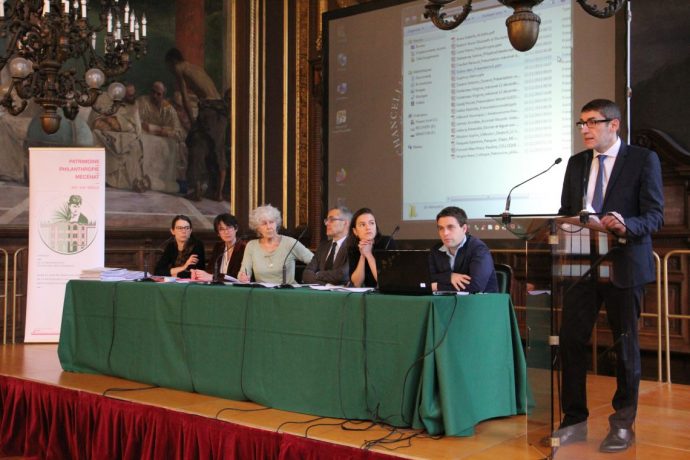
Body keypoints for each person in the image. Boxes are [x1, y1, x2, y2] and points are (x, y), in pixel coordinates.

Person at [556, 99, 664, 453]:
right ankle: (573, 421)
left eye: (592, 122)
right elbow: (564, 212)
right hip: (580, 265)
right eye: (581, 124)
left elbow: (654, 216)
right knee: (571, 341)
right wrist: (562, 223)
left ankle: (622, 425)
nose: (584, 129)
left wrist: (625, 224)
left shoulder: (642, 160)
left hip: (624, 263)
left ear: (614, 125)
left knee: (625, 347)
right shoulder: (575, 164)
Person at [165, 48, 227, 201]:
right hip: (221, 110)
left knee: (195, 145)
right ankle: (217, 193)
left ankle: (196, 189)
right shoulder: (194, 67)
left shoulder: (180, 69)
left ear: (172, 62)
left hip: (209, 111)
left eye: (168, 66)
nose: (170, 70)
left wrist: (193, 122)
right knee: (217, 149)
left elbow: (186, 99)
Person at [428, 206, 498, 293]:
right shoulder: (436, 250)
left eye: (450, 227)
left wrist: (437, 286)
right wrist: (449, 277)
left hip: (481, 303)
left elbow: (475, 287)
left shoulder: (479, 249)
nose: (445, 233)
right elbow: (427, 278)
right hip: (447, 303)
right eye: (441, 228)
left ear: (464, 229)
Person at [238, 205, 313, 284]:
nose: (269, 227)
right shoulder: (251, 246)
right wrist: (243, 277)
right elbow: (244, 271)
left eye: (271, 222)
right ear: (257, 228)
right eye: (264, 224)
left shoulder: (290, 243)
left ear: (276, 223)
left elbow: (315, 261)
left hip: (288, 293)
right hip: (262, 293)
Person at [302, 206, 352, 285]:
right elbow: (306, 273)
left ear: (345, 223)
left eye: (332, 220)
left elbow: (343, 275)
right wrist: (326, 285)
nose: (327, 223)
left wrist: (318, 274)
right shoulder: (323, 246)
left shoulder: (353, 246)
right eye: (327, 220)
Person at [347, 208, 395, 288]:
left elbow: (385, 280)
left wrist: (368, 254)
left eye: (371, 223)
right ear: (355, 231)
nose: (368, 227)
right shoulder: (353, 248)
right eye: (363, 225)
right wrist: (362, 255)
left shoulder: (387, 242)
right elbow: (357, 283)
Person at [191, 213, 246, 282]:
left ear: (236, 228)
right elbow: (210, 270)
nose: (226, 232)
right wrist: (198, 274)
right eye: (222, 229)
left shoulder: (244, 248)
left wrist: (214, 277)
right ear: (218, 233)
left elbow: (236, 275)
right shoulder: (218, 247)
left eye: (229, 227)